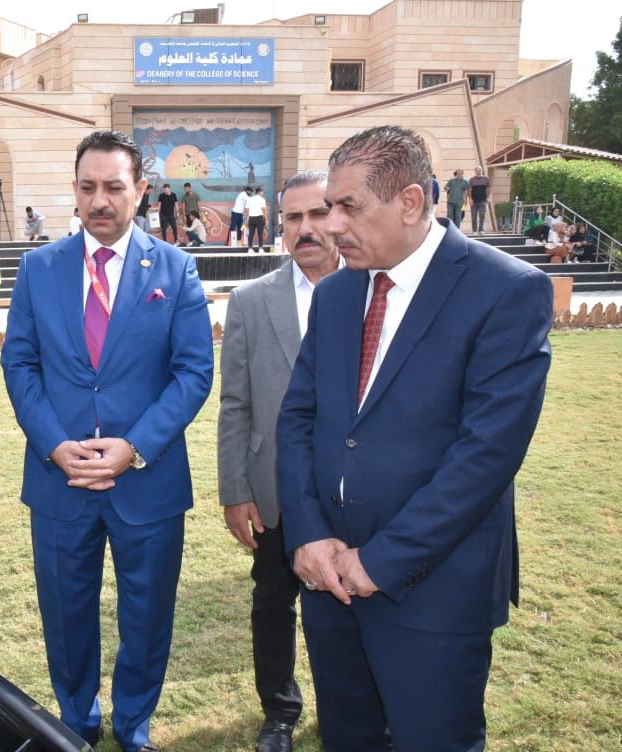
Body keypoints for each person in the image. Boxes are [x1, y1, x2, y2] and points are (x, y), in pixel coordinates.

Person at [277, 125, 552, 752]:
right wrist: (308, 534)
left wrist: (379, 562)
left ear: (409, 201)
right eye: (328, 207)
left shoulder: (506, 291)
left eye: (348, 207)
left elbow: (485, 458)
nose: (331, 226)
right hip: (329, 582)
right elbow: (297, 420)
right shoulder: (337, 293)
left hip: (435, 591)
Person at [1, 130, 213, 752]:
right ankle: (77, 722)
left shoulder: (175, 268)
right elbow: (19, 364)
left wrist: (135, 446)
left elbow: (194, 372)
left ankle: (133, 724)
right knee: (65, 614)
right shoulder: (39, 269)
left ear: (140, 190)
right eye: (88, 186)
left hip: (146, 481)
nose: (100, 200)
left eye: (114, 187)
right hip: (60, 479)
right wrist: (53, 444)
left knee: (147, 614)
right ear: (74, 189)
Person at [218, 169, 342, 752]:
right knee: (273, 603)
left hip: (354, 489)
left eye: (318, 213)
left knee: (351, 602)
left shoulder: (374, 291)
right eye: (293, 217)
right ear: (278, 224)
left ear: (338, 216)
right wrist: (234, 490)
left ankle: (349, 709)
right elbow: (235, 404)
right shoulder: (250, 301)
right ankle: (279, 713)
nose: (306, 228)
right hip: (272, 488)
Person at [468, 165, 490, 234]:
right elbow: (469, 190)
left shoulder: (486, 178)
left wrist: (488, 197)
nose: (478, 172)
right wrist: (470, 199)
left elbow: (488, 189)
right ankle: (474, 230)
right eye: (477, 171)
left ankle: (481, 230)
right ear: (475, 171)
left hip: (483, 200)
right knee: (474, 216)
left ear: (482, 171)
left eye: (479, 170)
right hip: (474, 201)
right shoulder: (471, 179)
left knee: (482, 215)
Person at [247, 186, 268, 252]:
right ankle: (260, 248)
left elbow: (246, 209)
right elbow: (264, 210)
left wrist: (246, 219)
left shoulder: (250, 199)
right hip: (259, 218)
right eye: (262, 192)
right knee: (260, 234)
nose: (262, 193)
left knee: (251, 234)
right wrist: (266, 220)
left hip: (251, 218)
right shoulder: (262, 199)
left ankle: (250, 248)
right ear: (260, 192)